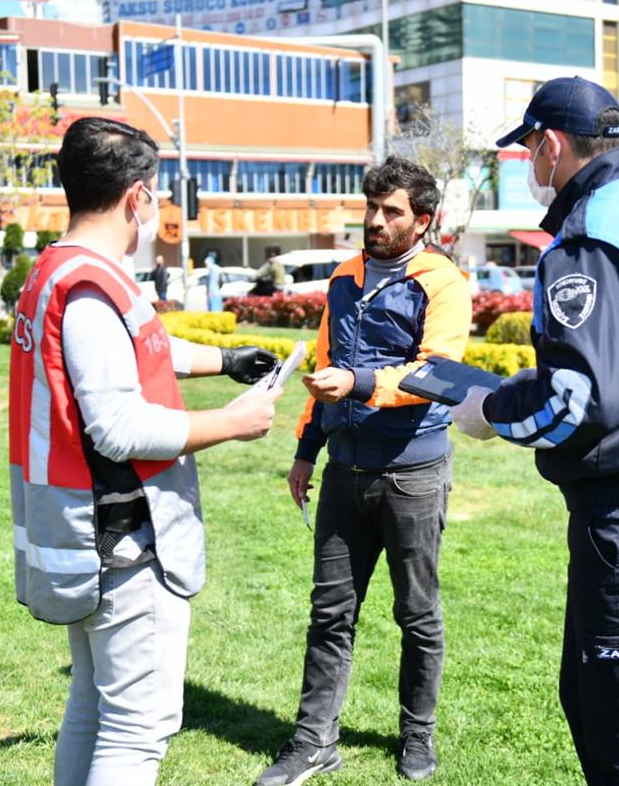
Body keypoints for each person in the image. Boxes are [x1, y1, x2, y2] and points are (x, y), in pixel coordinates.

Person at [450, 77, 619, 786]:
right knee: (593, 700)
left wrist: (488, 411)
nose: (529, 166)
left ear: (552, 144)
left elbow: (577, 401)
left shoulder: (591, 233)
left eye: (529, 150)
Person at [8, 117, 282, 786]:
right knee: (137, 728)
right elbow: (119, 426)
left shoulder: (61, 269)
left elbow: (137, 352)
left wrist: (222, 359)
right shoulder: (94, 287)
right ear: (136, 198)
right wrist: (233, 421)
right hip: (123, 544)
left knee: (93, 708)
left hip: (86, 536)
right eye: (156, 192)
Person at [255, 156, 472, 785]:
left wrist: (359, 382)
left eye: (391, 211)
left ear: (422, 221)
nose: (375, 220)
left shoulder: (443, 283)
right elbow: (325, 366)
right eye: (371, 207)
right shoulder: (345, 278)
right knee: (330, 613)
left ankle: (417, 737)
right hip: (345, 474)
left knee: (417, 614)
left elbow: (437, 373)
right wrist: (305, 451)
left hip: (413, 474)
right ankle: (313, 742)